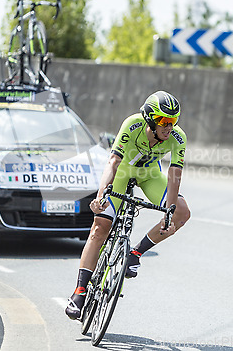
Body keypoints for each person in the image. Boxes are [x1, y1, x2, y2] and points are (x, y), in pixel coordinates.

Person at [65, 90, 191, 320]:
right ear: (150, 119)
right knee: (100, 228)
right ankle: (79, 291)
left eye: (173, 121)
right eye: (164, 121)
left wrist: (170, 212)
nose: (169, 127)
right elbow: (113, 162)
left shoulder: (177, 137)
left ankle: (134, 253)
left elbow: (175, 175)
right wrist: (101, 195)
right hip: (122, 173)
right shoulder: (132, 125)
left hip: (150, 175)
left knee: (182, 213)